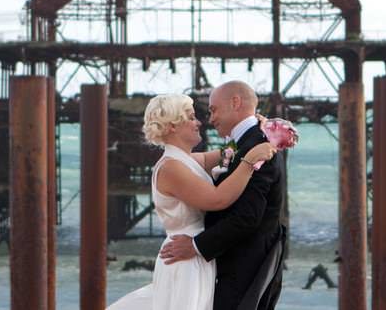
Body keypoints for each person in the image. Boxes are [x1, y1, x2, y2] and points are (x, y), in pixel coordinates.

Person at [106, 93, 276, 310]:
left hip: (194, 253)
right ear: (172, 127)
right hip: (185, 256)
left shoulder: (186, 160)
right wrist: (250, 162)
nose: (199, 123)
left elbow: (227, 153)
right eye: (190, 117)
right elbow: (217, 199)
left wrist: (254, 131)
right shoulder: (170, 167)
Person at [160, 81, 286, 310]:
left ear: (235, 102)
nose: (208, 119)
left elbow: (247, 217)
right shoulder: (245, 144)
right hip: (218, 262)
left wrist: (196, 246)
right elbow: (220, 186)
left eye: (213, 110)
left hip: (244, 267)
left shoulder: (256, 144)